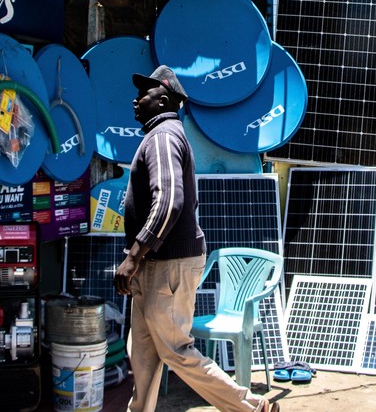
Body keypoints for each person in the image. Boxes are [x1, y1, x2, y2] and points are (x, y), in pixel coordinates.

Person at [114, 65, 279, 412]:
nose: (135, 100)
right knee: (142, 353)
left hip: (166, 265)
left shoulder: (162, 137)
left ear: (162, 100)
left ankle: (251, 408)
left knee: (176, 351)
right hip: (157, 265)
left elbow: (169, 200)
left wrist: (133, 255)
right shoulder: (165, 135)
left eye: (143, 92)